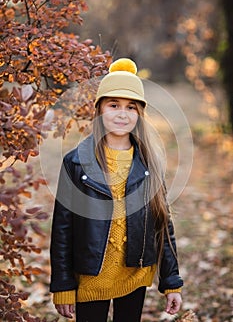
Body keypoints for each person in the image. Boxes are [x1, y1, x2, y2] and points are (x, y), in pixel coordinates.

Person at [50, 58, 183, 322]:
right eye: (114, 105)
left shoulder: (149, 164)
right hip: (91, 277)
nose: (122, 114)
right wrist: (63, 286)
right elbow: (62, 229)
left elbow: (163, 226)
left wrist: (171, 281)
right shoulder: (76, 162)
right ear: (99, 110)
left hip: (134, 276)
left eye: (131, 107)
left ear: (139, 114)